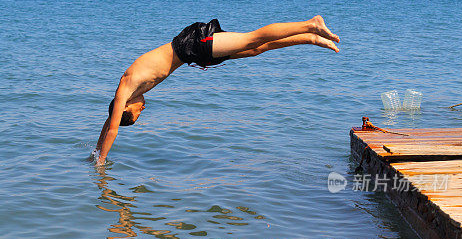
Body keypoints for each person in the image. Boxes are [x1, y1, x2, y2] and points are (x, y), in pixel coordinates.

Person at [95, 16, 340, 164]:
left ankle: (310, 25)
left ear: (126, 107)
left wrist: (101, 162)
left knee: (251, 39)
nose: (144, 107)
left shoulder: (125, 89)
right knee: (255, 50)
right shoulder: (128, 94)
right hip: (193, 53)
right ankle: (310, 38)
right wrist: (96, 150)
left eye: (139, 112)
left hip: (191, 43)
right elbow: (108, 123)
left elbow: (113, 128)